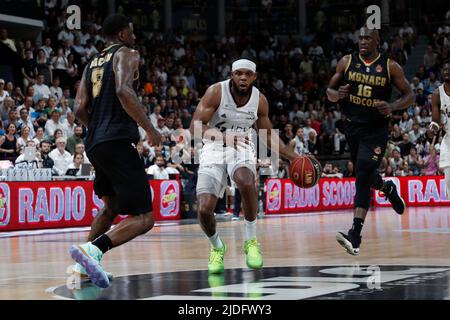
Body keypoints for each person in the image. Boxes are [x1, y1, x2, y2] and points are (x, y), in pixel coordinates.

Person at [69, 14, 161, 288]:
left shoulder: (91, 63)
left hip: (95, 142)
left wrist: (98, 128)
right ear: (122, 34)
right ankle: (93, 250)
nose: (134, 37)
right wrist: (150, 129)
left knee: (111, 207)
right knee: (144, 218)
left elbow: (78, 108)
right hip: (117, 140)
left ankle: (81, 269)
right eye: (131, 32)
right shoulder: (127, 53)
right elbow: (123, 90)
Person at [190, 58, 298, 274]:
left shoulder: (260, 100)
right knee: (203, 209)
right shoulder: (216, 92)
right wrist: (224, 138)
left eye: (247, 74)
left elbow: (268, 136)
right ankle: (217, 248)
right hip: (213, 147)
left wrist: (293, 157)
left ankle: (251, 241)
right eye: (238, 73)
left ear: (254, 77)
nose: (242, 77)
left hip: (242, 147)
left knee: (246, 181)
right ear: (232, 74)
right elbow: (195, 127)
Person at [327, 26, 414, 256]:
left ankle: (355, 235)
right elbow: (329, 91)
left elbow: (410, 95)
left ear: (377, 41)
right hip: (351, 127)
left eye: (367, 38)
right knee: (366, 175)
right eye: (360, 38)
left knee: (363, 172)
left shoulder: (390, 66)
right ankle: (387, 188)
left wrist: (393, 106)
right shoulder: (346, 62)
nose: (362, 41)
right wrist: (338, 95)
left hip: (375, 130)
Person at [430, 61, 450, 196]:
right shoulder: (437, 94)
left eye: (449, 69)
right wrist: (432, 129)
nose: (446, 72)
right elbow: (436, 121)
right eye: (444, 70)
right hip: (448, 140)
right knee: (448, 180)